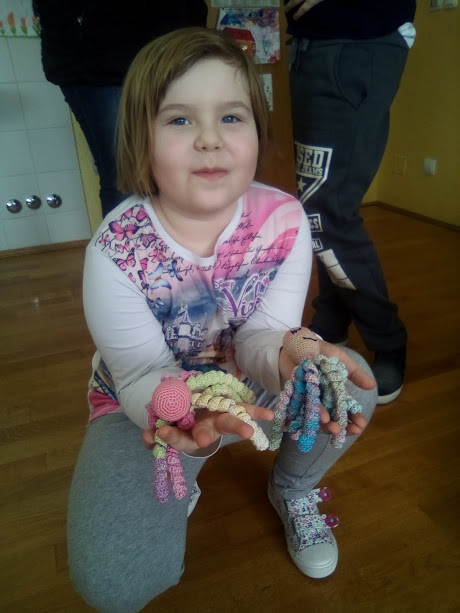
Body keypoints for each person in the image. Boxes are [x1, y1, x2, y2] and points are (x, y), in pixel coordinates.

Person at [67, 27, 377, 613]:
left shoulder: (284, 220)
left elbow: (261, 335)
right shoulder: (115, 251)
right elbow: (138, 376)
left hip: (246, 380)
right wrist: (183, 413)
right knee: (115, 584)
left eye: (231, 117)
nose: (210, 139)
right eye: (180, 119)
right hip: (151, 404)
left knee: (346, 383)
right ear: (140, 139)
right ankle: (185, 473)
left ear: (257, 131)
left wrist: (292, 356)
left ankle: (293, 488)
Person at [284, 0, 416, 404]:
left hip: (357, 42)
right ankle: (332, 317)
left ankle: (387, 339)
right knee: (315, 204)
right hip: (311, 45)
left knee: (327, 212)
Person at [32, 1, 208, 217]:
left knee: (177, 171)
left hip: (174, 59)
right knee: (126, 180)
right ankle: (127, 240)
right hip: (100, 66)